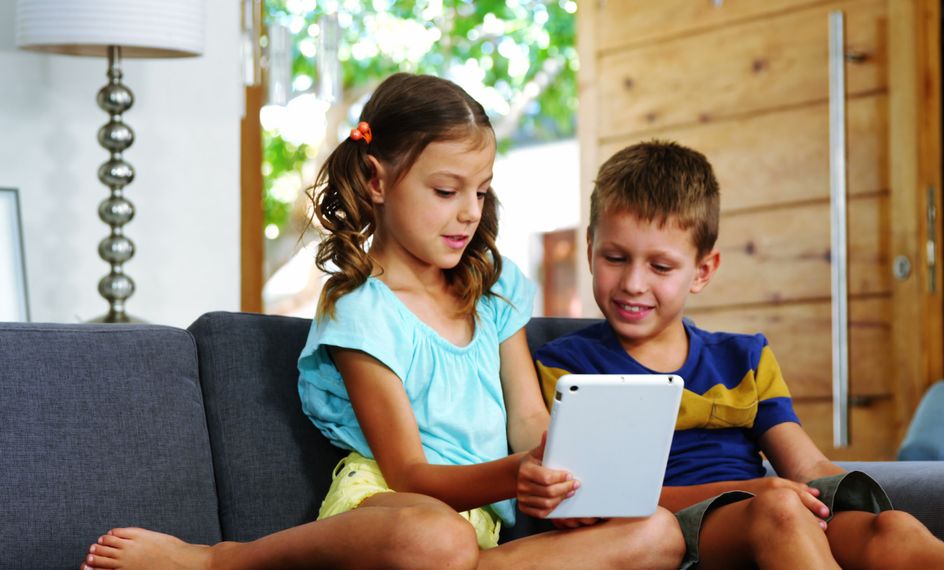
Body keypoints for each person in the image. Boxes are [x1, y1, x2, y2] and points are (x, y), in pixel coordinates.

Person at [79, 74, 683, 570]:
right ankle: (223, 562)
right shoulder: (362, 310)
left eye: (481, 192)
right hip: (395, 509)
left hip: (479, 532)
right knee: (436, 540)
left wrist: (560, 473)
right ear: (376, 179)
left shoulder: (493, 289)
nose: (469, 213)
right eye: (446, 191)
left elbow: (528, 416)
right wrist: (514, 475)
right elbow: (409, 473)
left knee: (658, 534)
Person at [534, 139, 944, 570]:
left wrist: (841, 504)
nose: (633, 283)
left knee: (890, 531)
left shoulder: (742, 357)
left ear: (702, 271)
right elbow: (600, 504)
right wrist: (753, 491)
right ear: (589, 251)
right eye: (614, 257)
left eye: (660, 267)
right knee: (776, 510)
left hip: (771, 513)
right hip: (672, 530)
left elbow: (808, 465)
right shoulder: (570, 366)